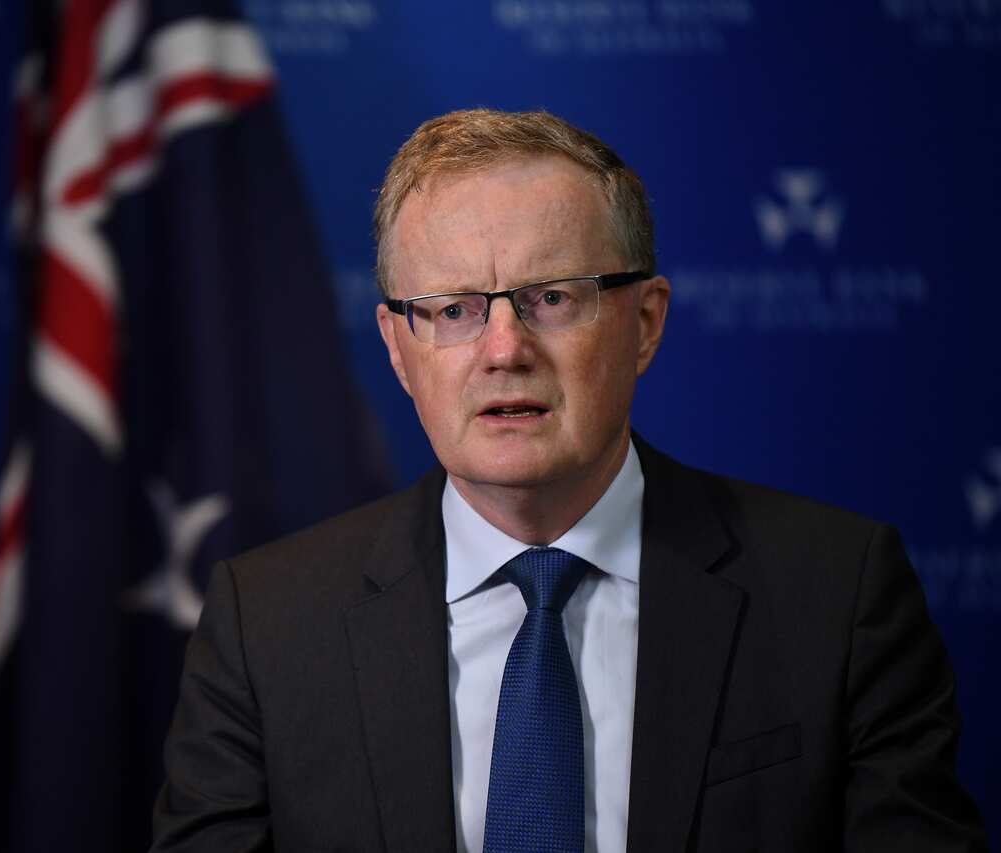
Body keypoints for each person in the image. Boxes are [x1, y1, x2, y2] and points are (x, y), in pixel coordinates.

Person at [150, 109, 985, 852]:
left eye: (551, 297)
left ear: (646, 322)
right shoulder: (265, 626)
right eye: (453, 309)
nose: (504, 348)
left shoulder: (838, 595)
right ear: (400, 349)